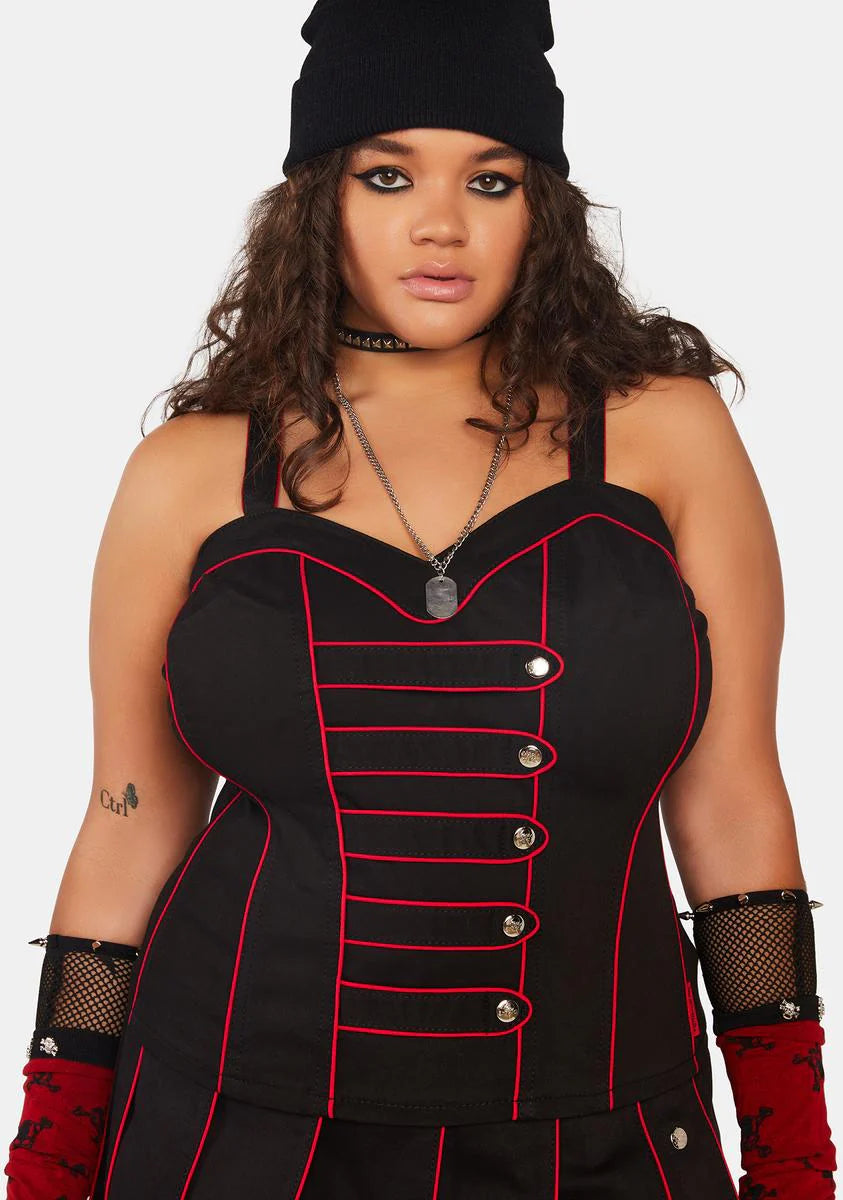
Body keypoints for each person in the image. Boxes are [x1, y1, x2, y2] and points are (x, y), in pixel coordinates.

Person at [5, 1, 836, 1197]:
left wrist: (793, 1149)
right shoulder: (189, 471)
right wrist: (51, 1152)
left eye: (492, 181)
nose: (441, 224)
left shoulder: (665, 433)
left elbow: (735, 800)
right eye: (387, 175)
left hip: (597, 1125)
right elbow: (132, 819)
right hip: (237, 1126)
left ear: (543, 210)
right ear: (317, 199)